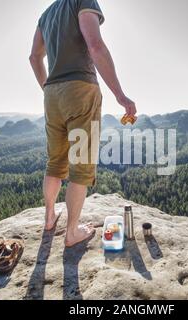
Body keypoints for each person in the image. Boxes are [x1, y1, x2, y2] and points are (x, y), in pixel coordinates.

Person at [29, 0, 137, 247]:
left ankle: (49, 217)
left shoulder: (46, 15)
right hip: (81, 88)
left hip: (52, 94)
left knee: (55, 160)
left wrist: (48, 88)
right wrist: (120, 94)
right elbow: (96, 46)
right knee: (81, 162)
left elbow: (34, 57)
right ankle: (72, 233)